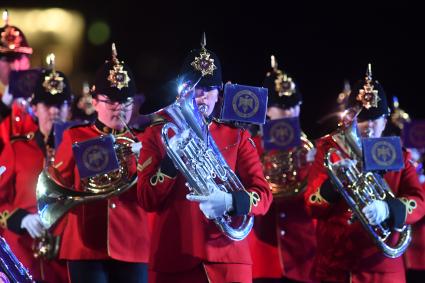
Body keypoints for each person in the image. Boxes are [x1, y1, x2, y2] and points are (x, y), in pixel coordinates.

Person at [137, 36, 272, 283]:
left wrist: (231, 200)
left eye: (209, 89)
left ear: (219, 92)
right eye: (196, 88)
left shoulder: (237, 136)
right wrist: (170, 162)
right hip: (175, 258)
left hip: (229, 260)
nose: (202, 97)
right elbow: (146, 198)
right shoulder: (157, 135)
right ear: (184, 90)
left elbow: (263, 196)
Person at [304, 66, 425, 283]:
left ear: (385, 121)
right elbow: (312, 205)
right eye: (362, 118)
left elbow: (419, 202)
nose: (368, 126)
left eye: (375, 118)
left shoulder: (401, 155)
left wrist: (388, 209)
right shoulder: (328, 150)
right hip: (335, 268)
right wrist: (334, 184)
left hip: (381, 270)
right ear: (351, 119)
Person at [46, 44, 149, 283]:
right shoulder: (75, 137)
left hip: (132, 243)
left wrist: (145, 160)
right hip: (84, 245)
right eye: (111, 100)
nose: (119, 107)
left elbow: (152, 195)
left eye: (125, 101)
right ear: (95, 101)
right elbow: (57, 185)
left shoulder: (144, 142)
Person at [0, 59, 71, 282]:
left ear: (69, 108)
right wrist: (20, 219)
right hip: (23, 257)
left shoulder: (80, 150)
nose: (53, 112)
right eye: (47, 105)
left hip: (66, 260)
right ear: (35, 108)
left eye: (60, 105)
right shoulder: (17, 148)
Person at [248, 56, 317, 283]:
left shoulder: (310, 150)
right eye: (283, 106)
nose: (290, 113)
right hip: (264, 254)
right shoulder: (252, 147)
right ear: (267, 110)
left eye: (294, 105)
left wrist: (315, 167)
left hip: (303, 254)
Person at [0, 9, 37, 153]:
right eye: (7, 60)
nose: (15, 66)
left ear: (28, 61)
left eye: (19, 58)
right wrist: (3, 107)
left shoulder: (40, 94)